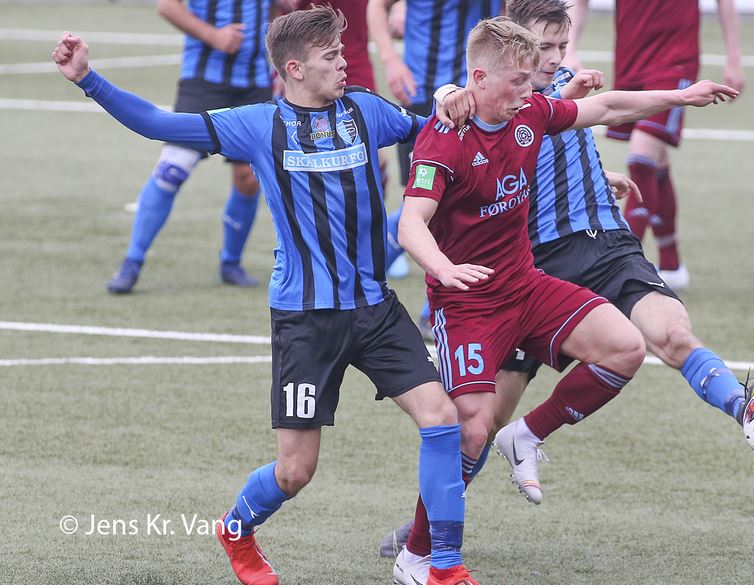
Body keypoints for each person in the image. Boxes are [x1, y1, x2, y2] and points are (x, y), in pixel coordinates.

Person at [52, 7, 481, 585]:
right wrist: (87, 78)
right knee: (295, 471)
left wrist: (450, 96)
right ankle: (236, 529)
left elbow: (440, 131)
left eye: (342, 52)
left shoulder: (367, 111)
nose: (345, 62)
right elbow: (157, 123)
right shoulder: (257, 124)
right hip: (305, 320)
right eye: (331, 55)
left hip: (375, 309)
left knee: (442, 419)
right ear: (295, 69)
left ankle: (442, 566)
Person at [388, 15, 738, 584]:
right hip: (470, 303)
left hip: (527, 285)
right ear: (479, 78)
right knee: (471, 428)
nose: (529, 91)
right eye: (518, 81)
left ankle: (525, 437)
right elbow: (411, 224)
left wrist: (680, 96)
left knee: (624, 347)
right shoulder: (444, 136)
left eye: (532, 78)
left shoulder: (529, 113)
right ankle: (421, 557)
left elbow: (607, 107)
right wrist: (444, 269)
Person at [564, 0, 745, 290]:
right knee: (655, 160)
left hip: (676, 60)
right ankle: (671, 264)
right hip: (630, 59)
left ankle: (617, 264)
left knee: (641, 157)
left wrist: (734, 58)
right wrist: (570, 49)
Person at [106, 0, 272, 294]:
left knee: (248, 178)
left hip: (255, 83)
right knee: (172, 170)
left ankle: (231, 262)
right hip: (202, 82)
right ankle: (132, 261)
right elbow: (167, 6)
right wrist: (214, 35)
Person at [368, 0, 504, 293]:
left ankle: (430, 299)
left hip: (483, 95)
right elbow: (377, 5)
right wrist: (391, 60)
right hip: (425, 92)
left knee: (475, 196)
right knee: (424, 200)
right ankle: (366, 275)